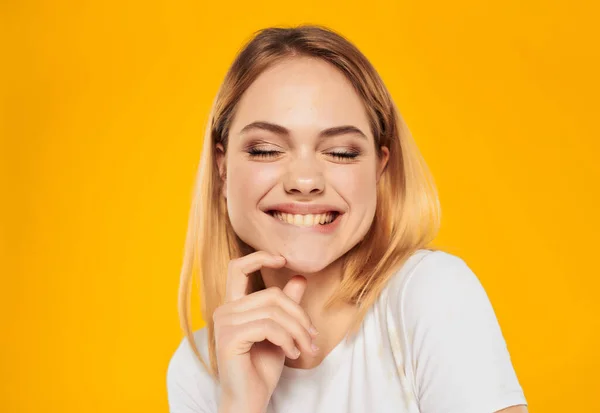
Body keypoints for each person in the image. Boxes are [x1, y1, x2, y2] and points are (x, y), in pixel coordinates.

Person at [166, 25, 528, 413]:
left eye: (340, 152)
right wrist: (241, 406)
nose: (305, 181)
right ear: (222, 169)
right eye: (267, 150)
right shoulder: (199, 370)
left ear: (379, 169)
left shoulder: (430, 295)